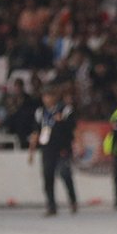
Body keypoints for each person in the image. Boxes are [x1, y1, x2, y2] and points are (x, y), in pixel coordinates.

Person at [27, 83, 77, 217]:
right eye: (44, 96)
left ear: (55, 97)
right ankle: (51, 205)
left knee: (65, 174)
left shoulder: (65, 110)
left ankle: (72, 200)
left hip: (62, 147)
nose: (46, 99)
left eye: (49, 96)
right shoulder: (40, 112)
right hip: (47, 148)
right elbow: (36, 131)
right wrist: (31, 151)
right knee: (48, 176)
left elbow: (72, 127)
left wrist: (62, 121)